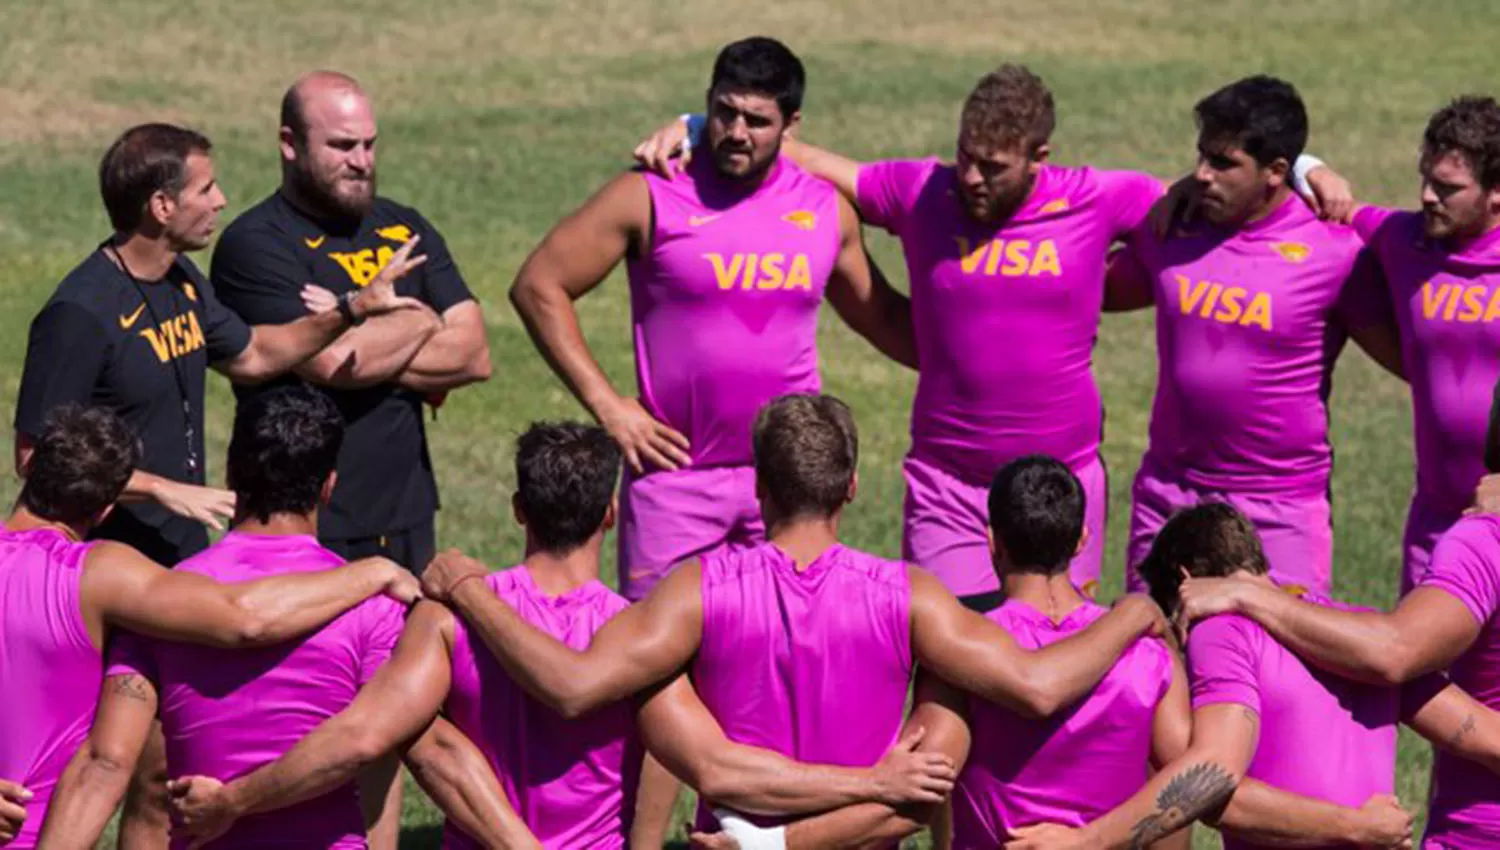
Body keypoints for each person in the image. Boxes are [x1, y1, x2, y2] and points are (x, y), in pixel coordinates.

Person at [634, 66, 1350, 605]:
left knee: (1057, 661)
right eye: (965, 156)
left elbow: (1235, 179)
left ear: (1041, 157)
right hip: (948, 485)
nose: (971, 178)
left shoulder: (1104, 199)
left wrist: (1310, 166)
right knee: (951, 668)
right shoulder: (923, 191)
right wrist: (696, 128)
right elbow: (810, 160)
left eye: (993, 166)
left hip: (1063, 481)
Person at [160, 420, 961, 850]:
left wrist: (237, 799)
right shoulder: (633, 641)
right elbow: (720, 769)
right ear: (611, 514)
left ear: (516, 511)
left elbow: (363, 738)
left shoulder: (447, 621)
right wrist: (874, 783)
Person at [415, 393, 1170, 846]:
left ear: (758, 489)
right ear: (849, 491)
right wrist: (1135, 609)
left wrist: (469, 589)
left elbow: (577, 690)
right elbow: (1037, 689)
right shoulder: (908, 598)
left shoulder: (694, 590)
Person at [510, 37, 915, 601]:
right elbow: (538, 285)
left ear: (790, 125)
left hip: (789, 484)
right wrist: (607, 406)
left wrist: (983, 359)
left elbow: (887, 319)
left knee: (786, 652)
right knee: (658, 669)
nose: (737, 131)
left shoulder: (825, 210)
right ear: (706, 105)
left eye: (757, 119)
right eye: (724, 112)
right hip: (675, 481)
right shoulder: (650, 192)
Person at [0, 403, 417, 850]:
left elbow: (107, 765)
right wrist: (373, 572)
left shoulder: (139, 595)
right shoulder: (106, 577)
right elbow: (247, 618)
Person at [13, 122, 426, 568]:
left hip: (180, 547)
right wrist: (159, 489)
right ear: (162, 206)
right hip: (104, 561)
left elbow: (254, 354)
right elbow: (35, 459)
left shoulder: (182, 281)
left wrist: (352, 307)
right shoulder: (79, 315)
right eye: (206, 189)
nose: (221, 200)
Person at [1012, 503, 1500, 850]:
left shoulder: (1222, 631)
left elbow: (1216, 777)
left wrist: (1087, 841)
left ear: (1188, 582)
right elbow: (1482, 735)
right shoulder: (1352, 635)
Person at [1107, 76, 1402, 597]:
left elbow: (1411, 361)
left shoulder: (1334, 252)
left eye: (1222, 163)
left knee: (1283, 669)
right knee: (1154, 663)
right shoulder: (1175, 228)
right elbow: (1091, 284)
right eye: (1200, 156)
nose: (1201, 174)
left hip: (1278, 507)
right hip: (1169, 496)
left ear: (1276, 172)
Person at [213, 70, 491, 578]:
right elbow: (332, 361)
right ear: (289, 144)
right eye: (342, 146)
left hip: (405, 510)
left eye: (369, 144)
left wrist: (359, 320)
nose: (361, 162)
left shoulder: (403, 227)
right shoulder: (256, 245)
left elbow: (474, 353)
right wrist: (423, 318)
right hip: (299, 518)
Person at [1342, 96, 1500, 591]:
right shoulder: (1402, 239)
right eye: (1425, 178)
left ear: (1497, 193)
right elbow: (1326, 205)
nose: (1428, 196)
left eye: (1448, 188)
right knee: (1423, 667)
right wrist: (1314, 168)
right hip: (1435, 523)